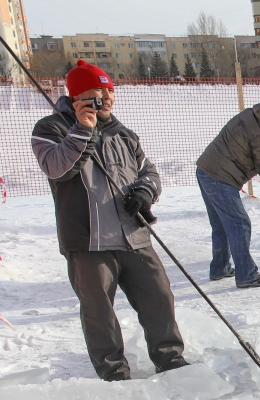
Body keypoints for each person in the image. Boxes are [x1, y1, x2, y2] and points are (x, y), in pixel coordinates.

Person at [31, 60, 188, 382]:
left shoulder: (123, 133)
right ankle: (114, 372)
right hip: (87, 241)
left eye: (109, 90)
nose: (106, 97)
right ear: (76, 96)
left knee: (159, 297)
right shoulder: (50, 129)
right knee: (98, 311)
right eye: (96, 92)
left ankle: (170, 359)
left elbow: (149, 171)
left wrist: (145, 192)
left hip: (134, 235)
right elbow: (58, 169)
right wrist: (83, 129)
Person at [195, 102, 260, 288]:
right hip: (221, 177)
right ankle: (247, 275)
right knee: (239, 223)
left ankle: (220, 268)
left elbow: (256, 142)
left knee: (221, 224)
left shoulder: (258, 115)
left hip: (206, 169)